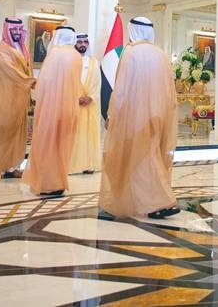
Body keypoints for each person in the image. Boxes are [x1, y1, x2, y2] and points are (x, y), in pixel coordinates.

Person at [99, 17, 180, 219]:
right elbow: (170, 91)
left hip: (133, 118)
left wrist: (111, 114)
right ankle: (141, 200)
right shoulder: (160, 54)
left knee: (138, 159)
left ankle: (160, 201)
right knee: (147, 156)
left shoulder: (131, 52)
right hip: (158, 116)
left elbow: (121, 90)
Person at [22, 25, 81, 196]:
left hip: (51, 109)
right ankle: (59, 182)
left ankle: (48, 184)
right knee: (62, 146)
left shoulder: (54, 55)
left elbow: (44, 83)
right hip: (69, 109)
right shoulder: (76, 56)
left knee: (47, 145)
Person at [0, 17, 36, 182]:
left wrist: (30, 93)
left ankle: (12, 167)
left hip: (20, 99)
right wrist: (29, 82)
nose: (17, 33)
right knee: (1, 132)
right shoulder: (0, 49)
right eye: (14, 30)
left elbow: (27, 70)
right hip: (3, 99)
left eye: (19, 30)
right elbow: (9, 70)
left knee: (18, 134)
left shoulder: (23, 49)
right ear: (6, 30)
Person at [69, 33, 102, 175]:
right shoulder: (69, 61)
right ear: (75, 44)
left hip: (90, 104)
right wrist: (75, 98)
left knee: (89, 133)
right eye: (80, 42)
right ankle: (72, 165)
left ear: (88, 44)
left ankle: (89, 164)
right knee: (74, 133)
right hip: (73, 104)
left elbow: (97, 84)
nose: (82, 44)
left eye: (85, 42)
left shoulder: (94, 62)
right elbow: (67, 82)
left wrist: (90, 97)